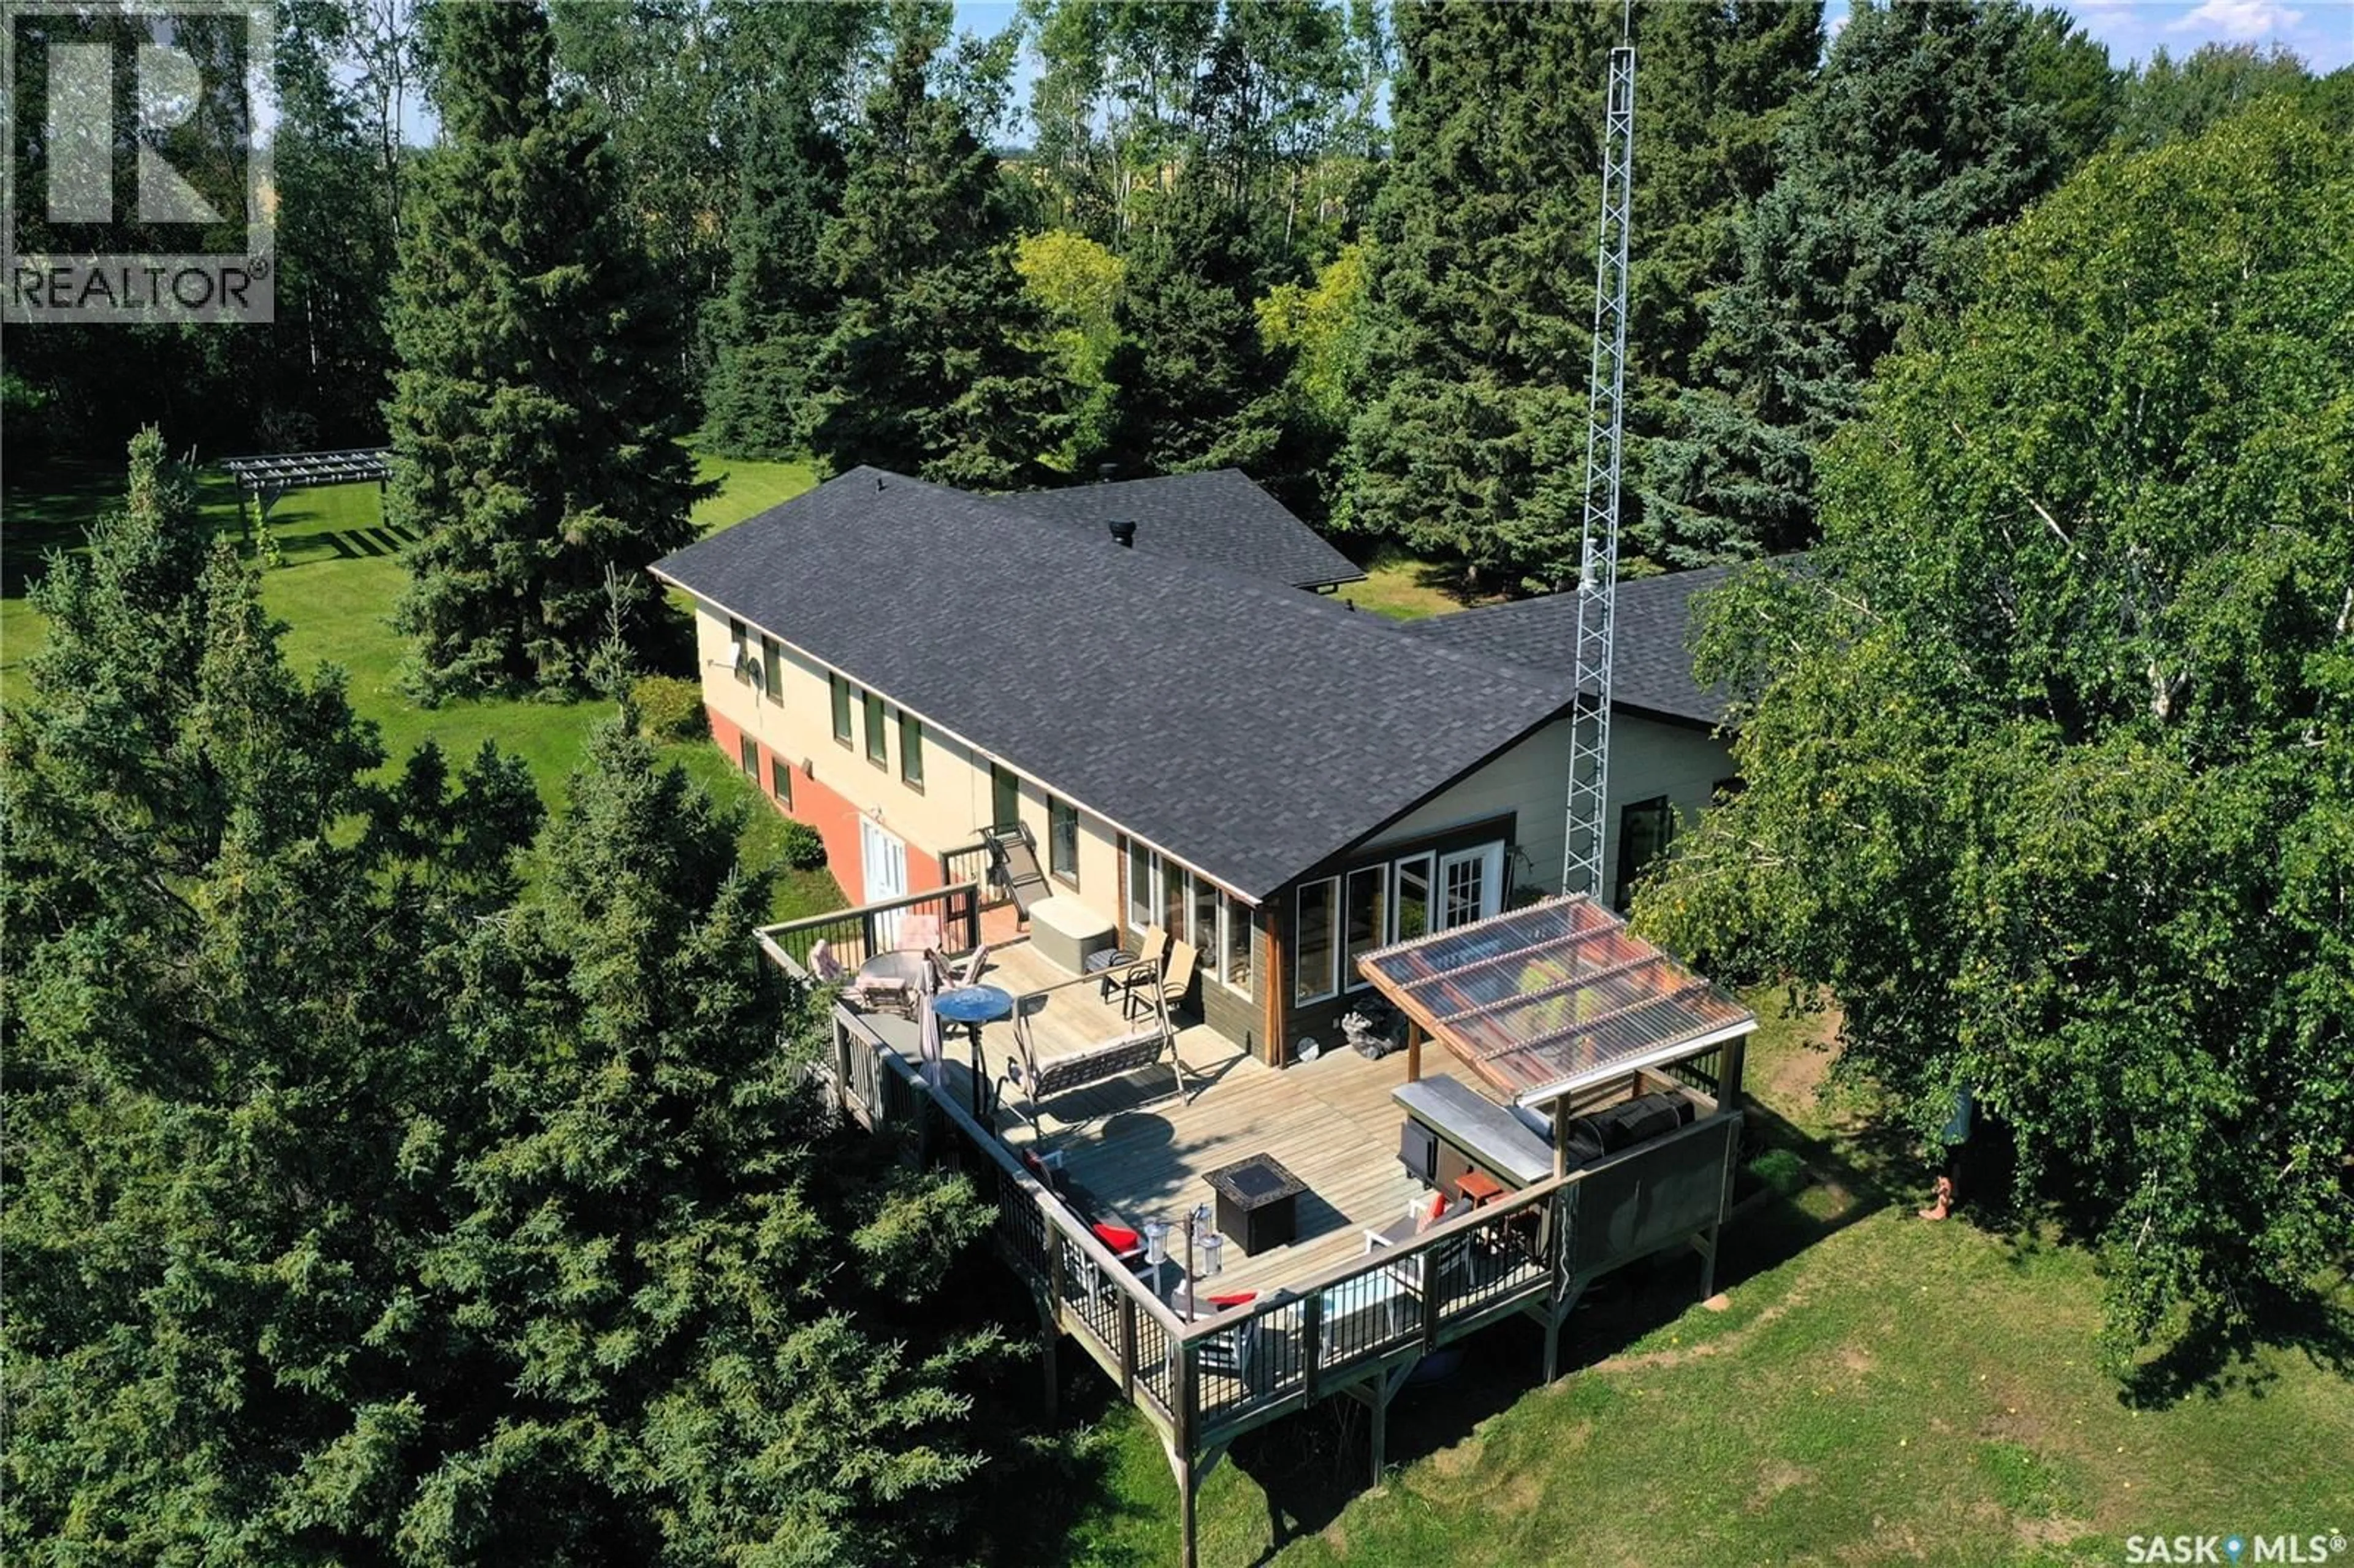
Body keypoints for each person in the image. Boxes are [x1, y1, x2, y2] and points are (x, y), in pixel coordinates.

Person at [1920, 1084, 1975, 1221]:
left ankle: (1941, 1210)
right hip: (1962, 1130)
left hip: (1950, 1132)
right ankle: (1954, 1192)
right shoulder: (1967, 1083)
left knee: (1944, 1168)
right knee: (1954, 1160)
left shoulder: (1952, 1085)